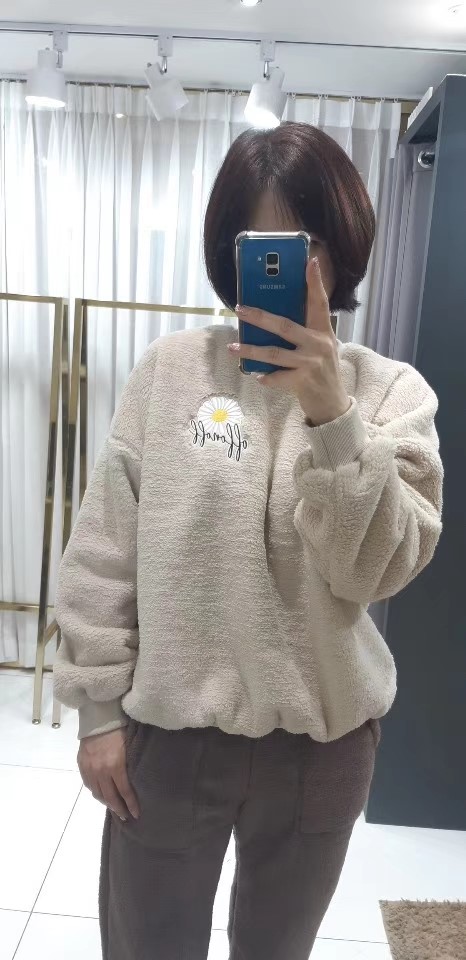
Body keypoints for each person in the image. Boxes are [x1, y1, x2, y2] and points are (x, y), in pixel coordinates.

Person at [54, 122, 443, 960]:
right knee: (147, 946)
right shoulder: (169, 372)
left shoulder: (392, 395)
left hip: (323, 744)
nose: (281, 272)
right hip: (173, 732)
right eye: (256, 246)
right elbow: (104, 551)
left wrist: (333, 419)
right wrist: (97, 713)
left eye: (302, 246)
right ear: (228, 254)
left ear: (339, 248)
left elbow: (377, 570)